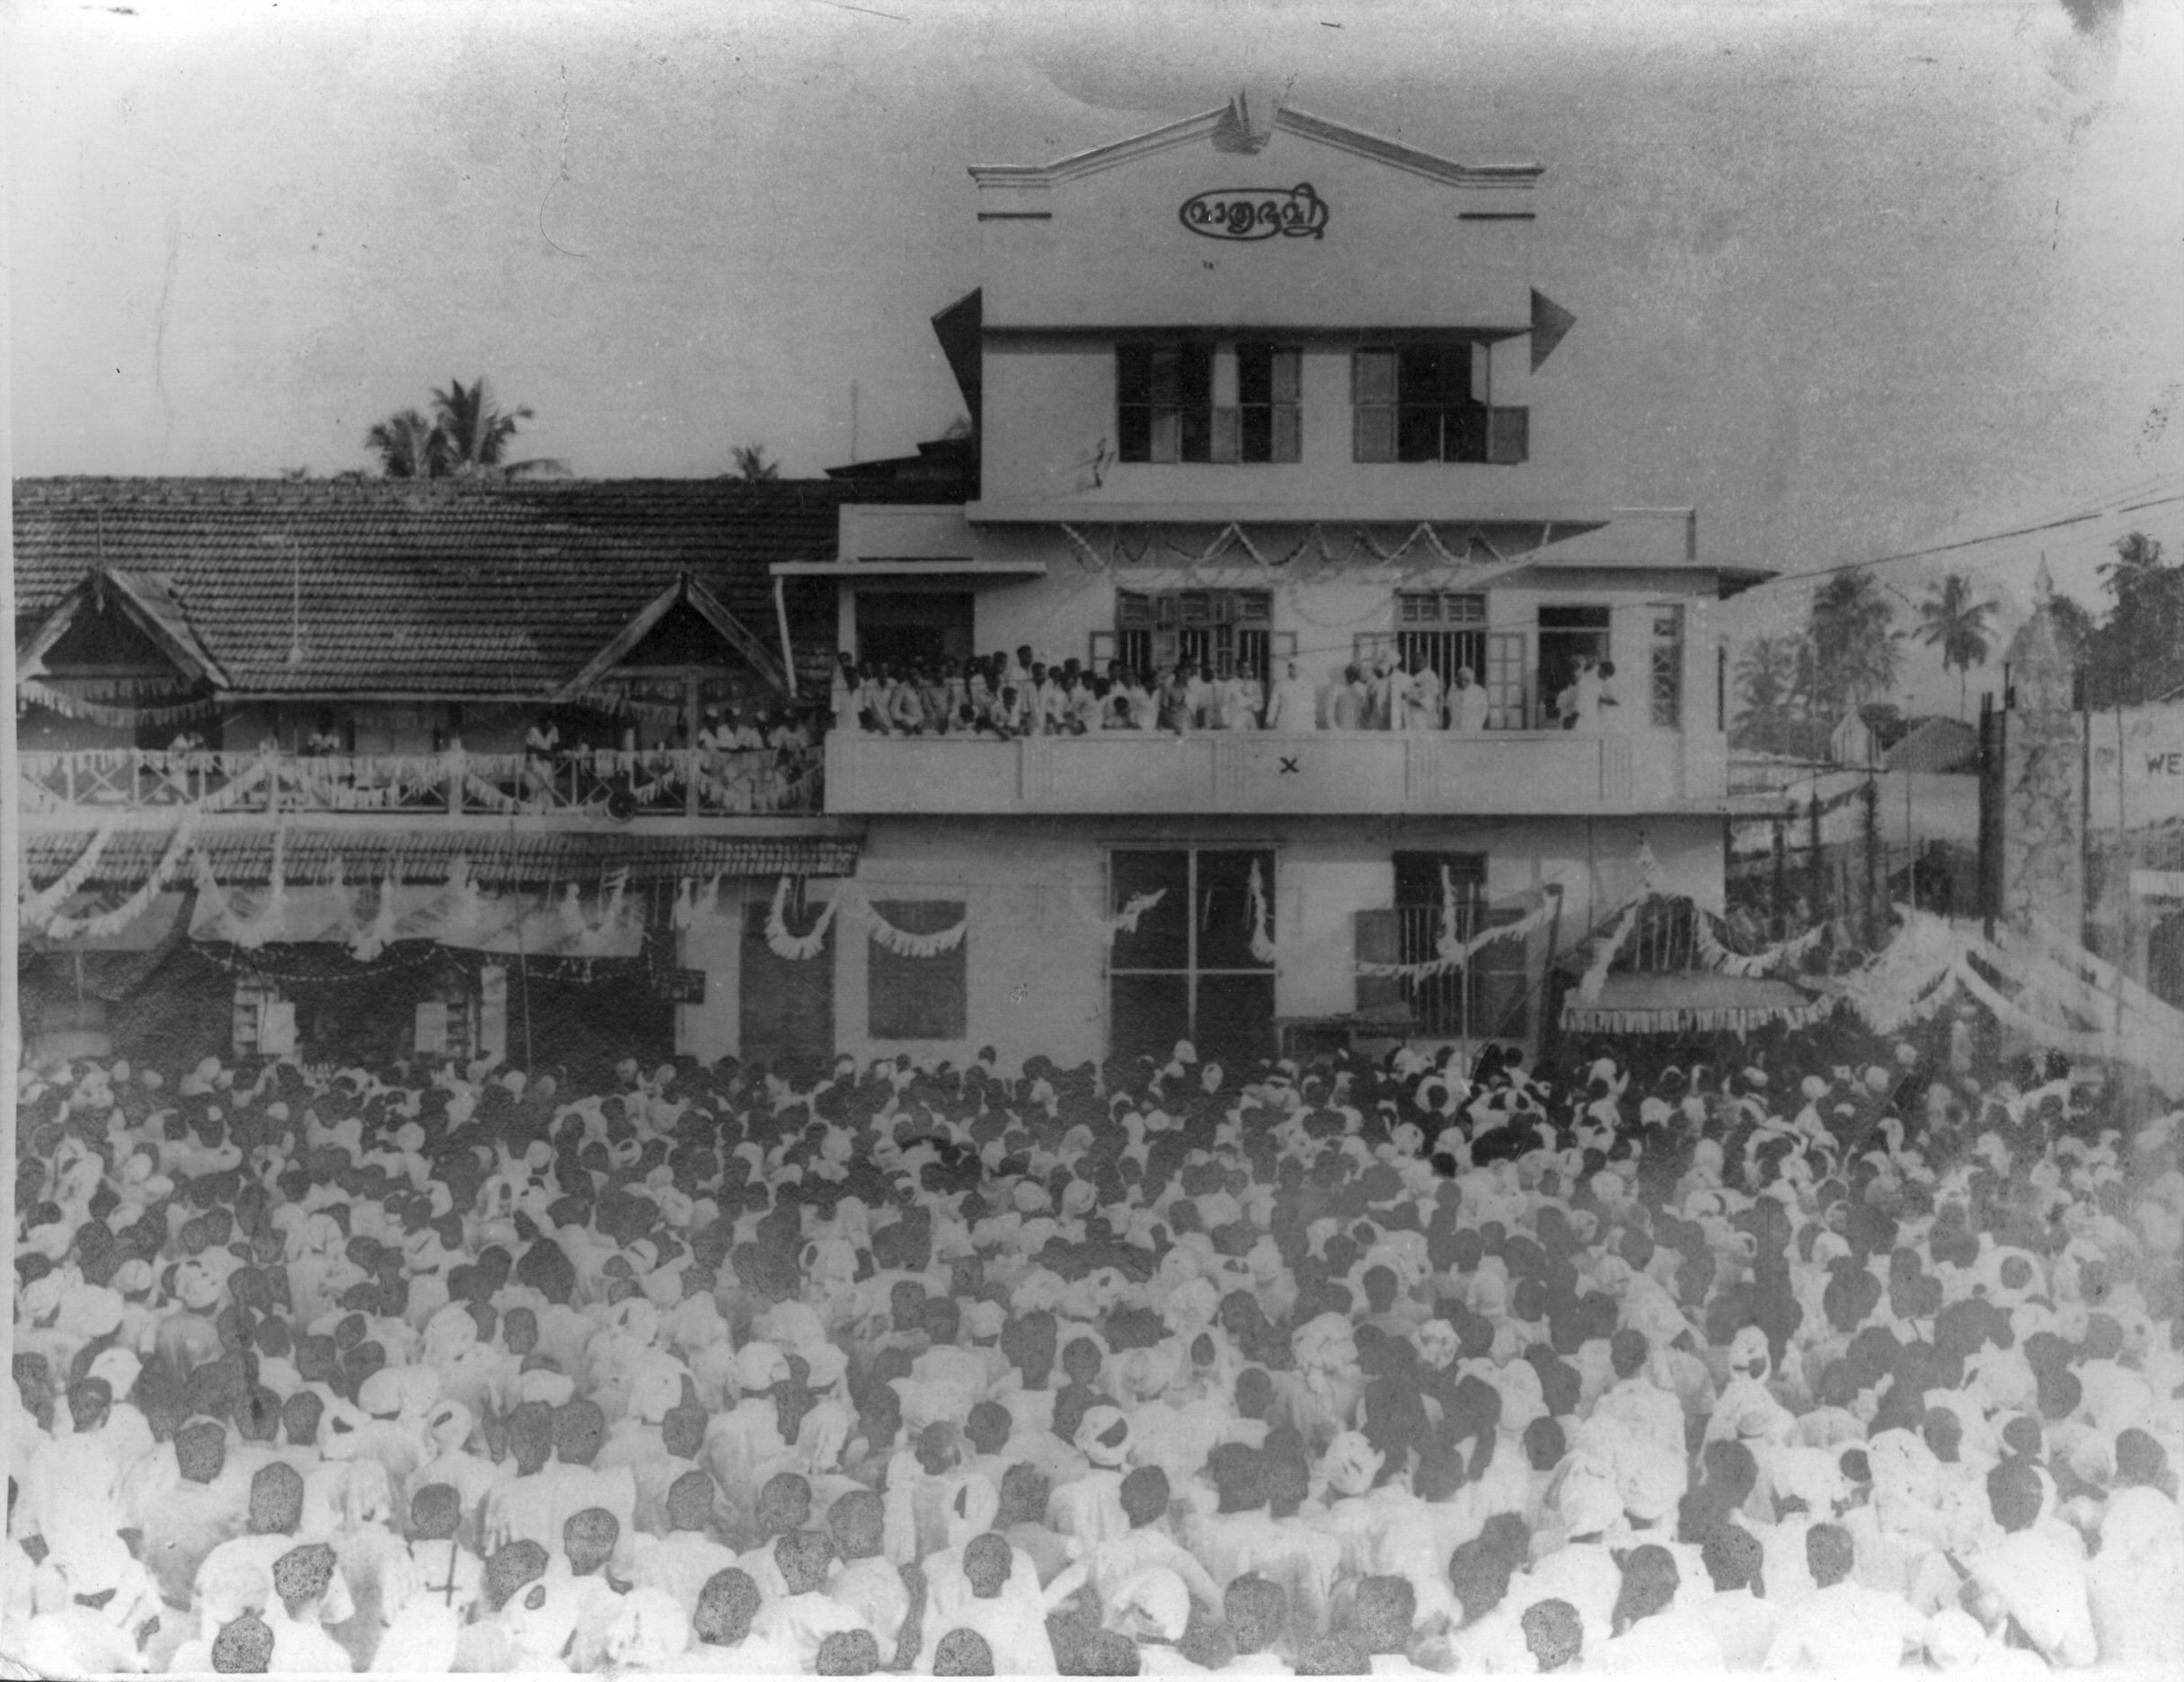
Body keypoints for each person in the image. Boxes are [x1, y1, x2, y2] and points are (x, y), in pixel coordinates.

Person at [1264, 659, 1317, 733]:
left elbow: (1311, 706)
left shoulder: (1308, 685)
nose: (1290, 670)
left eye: (1293, 668)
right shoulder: (1280, 684)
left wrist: (1312, 726)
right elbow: (1273, 704)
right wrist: (1269, 721)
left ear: (1300, 669)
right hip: (1285, 723)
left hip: (1303, 725)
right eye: (1289, 667)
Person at [1446, 667, 1487, 734]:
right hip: (1455, 728)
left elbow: (1483, 712)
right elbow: (1449, 708)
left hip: (1473, 729)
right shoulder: (1452, 690)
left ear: (1471, 680)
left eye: (1466, 680)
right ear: (1457, 678)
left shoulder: (1479, 692)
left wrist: (1476, 725)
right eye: (1461, 679)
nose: (1463, 682)